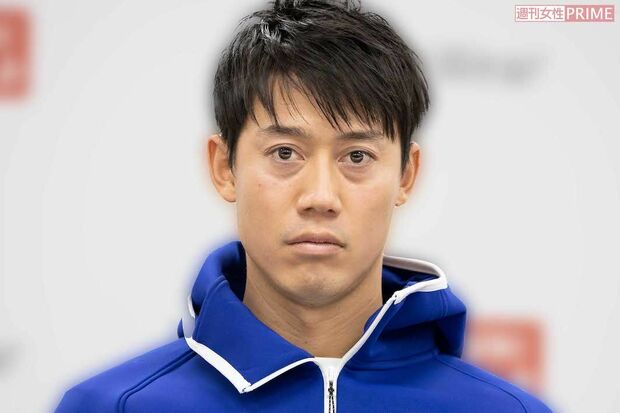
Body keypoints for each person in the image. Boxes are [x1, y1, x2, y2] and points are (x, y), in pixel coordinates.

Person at [55, 0, 554, 412]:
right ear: (225, 167)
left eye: (356, 157)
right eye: (284, 153)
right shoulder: (110, 406)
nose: (320, 197)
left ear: (406, 175)